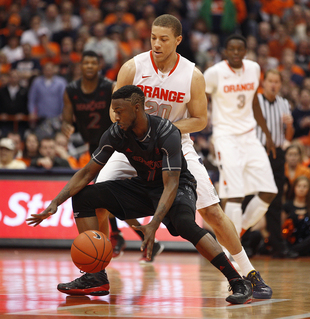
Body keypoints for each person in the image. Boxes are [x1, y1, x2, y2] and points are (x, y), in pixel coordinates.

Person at [26, 85, 253, 304]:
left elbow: (171, 184)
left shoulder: (167, 132)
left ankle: (238, 281)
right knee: (85, 196)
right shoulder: (117, 132)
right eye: (114, 111)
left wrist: (154, 224)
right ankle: (95, 276)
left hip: (178, 185)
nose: (115, 116)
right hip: (145, 186)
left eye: (119, 111)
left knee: (185, 223)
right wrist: (55, 203)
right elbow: (87, 172)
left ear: (137, 108)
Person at [97, 15, 272, 299]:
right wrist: (133, 130)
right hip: (133, 147)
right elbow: (113, 111)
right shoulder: (133, 67)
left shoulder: (193, 75)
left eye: (163, 39)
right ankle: (97, 271)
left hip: (177, 146)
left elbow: (200, 120)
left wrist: (163, 130)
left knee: (212, 212)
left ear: (178, 40)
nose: (156, 43)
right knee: (98, 196)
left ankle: (249, 272)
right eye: (153, 37)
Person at [61, 50, 163, 261]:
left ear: (99, 65)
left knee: (107, 197)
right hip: (94, 145)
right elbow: (66, 118)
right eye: (85, 63)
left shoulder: (109, 86)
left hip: (117, 145)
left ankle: (114, 241)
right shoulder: (71, 90)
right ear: (80, 66)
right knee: (107, 199)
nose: (89, 66)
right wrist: (65, 128)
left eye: (93, 63)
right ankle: (128, 236)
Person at [204, 34, 278, 241]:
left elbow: (254, 102)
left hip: (250, 136)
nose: (236, 53)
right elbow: (200, 97)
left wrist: (268, 134)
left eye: (240, 49)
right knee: (234, 194)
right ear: (225, 51)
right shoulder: (214, 73)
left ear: (245, 51)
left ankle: (239, 231)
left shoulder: (254, 68)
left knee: (269, 191)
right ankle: (230, 248)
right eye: (232, 49)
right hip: (225, 136)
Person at [244, 69, 297, 258]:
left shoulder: (284, 104)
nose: (274, 84)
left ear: (280, 85)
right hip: (256, 152)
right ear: (263, 83)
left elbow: (287, 137)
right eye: (271, 81)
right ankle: (244, 242)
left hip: (277, 154)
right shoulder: (254, 101)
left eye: (277, 81)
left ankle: (277, 245)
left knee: (275, 199)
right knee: (251, 197)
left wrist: (290, 125)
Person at [282, 176, 310, 256]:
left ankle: (296, 251)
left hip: (309, 239)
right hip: (292, 239)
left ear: (309, 189)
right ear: (294, 188)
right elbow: (281, 226)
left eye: (305, 187)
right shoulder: (287, 206)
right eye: (299, 186)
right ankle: (292, 250)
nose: (301, 189)